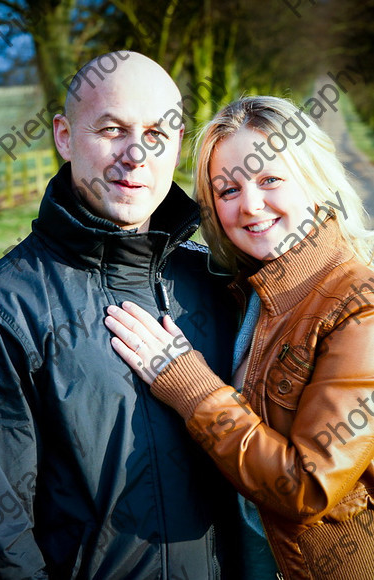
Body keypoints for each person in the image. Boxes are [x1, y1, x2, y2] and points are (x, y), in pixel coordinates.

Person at [0, 51, 246, 579]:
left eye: (157, 132)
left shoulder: (219, 282)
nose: (136, 153)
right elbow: (0, 534)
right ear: (63, 135)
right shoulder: (7, 306)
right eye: (111, 129)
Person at [105, 95, 374, 580]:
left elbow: (306, 488)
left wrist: (190, 386)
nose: (250, 205)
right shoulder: (250, 292)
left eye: (270, 179)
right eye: (227, 190)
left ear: (313, 181)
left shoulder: (360, 307)